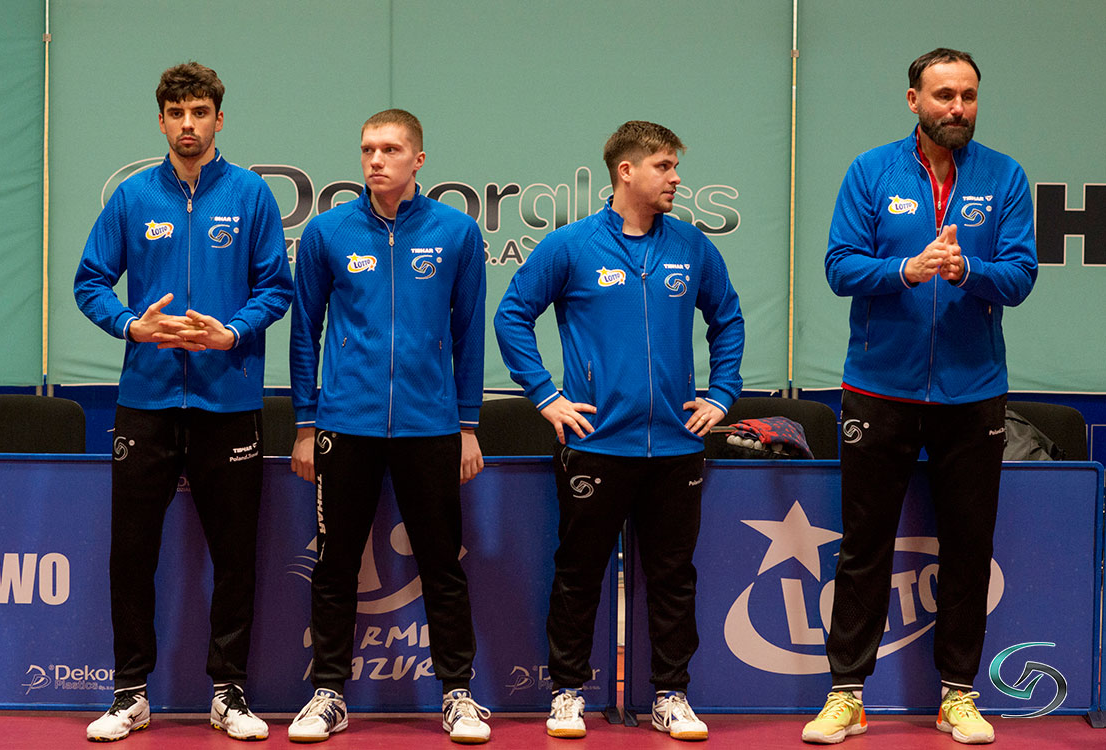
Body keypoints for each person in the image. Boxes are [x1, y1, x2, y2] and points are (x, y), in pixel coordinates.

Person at [801, 48, 1037, 745]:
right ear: (913, 101)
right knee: (863, 547)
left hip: (973, 393)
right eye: (943, 95)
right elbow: (840, 266)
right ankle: (846, 695)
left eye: (967, 95)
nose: (957, 108)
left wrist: (969, 270)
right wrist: (906, 269)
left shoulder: (1004, 176)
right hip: (879, 389)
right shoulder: (871, 171)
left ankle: (958, 695)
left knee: (967, 547)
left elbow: (1020, 276)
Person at [494, 121, 745, 741]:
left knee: (673, 577)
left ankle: (670, 696)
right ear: (626, 171)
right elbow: (512, 316)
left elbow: (728, 318)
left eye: (675, 166)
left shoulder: (692, 246)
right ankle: (567, 693)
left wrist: (722, 394)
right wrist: (546, 396)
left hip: (676, 446)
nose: (676, 177)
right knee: (579, 573)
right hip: (596, 443)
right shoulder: (571, 246)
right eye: (664, 166)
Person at [74, 61, 293, 742]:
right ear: (162, 121)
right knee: (132, 554)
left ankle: (228, 693)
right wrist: (130, 325)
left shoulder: (251, 194)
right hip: (145, 401)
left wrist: (233, 332)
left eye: (200, 112)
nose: (188, 124)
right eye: (176, 114)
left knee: (235, 555)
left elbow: (276, 288)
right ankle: (130, 694)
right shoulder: (133, 196)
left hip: (229, 401)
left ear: (219, 119)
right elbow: (90, 282)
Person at [286, 109, 490, 744]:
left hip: (431, 428)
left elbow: (469, 334)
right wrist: (305, 424)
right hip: (345, 424)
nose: (376, 159)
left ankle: (457, 694)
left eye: (391, 149)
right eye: (368, 148)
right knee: (334, 565)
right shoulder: (326, 232)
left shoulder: (456, 232)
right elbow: (304, 331)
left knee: (442, 564)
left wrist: (467, 426)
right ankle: (327, 693)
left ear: (418, 159)